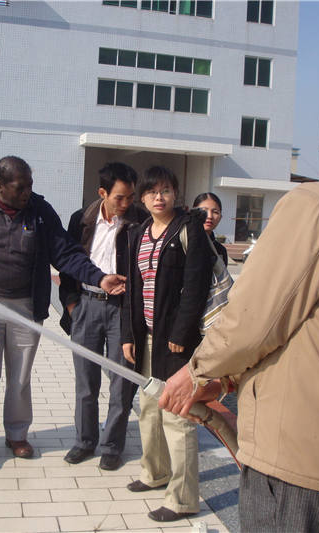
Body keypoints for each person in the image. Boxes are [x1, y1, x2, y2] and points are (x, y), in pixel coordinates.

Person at [160, 118, 319, 532]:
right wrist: (227, 380)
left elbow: (254, 318)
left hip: (298, 460)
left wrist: (197, 372)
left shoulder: (318, 205)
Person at [0, 156, 125, 471]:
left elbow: (66, 253)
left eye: (30, 185)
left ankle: (17, 435)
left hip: (25, 307)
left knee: (20, 376)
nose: (27, 192)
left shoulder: (40, 212)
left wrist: (99, 278)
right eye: (20, 187)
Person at [120, 166, 213, 522]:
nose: (159, 197)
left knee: (177, 416)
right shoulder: (139, 232)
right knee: (148, 408)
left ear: (175, 193)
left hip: (175, 342)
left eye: (166, 190)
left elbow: (196, 285)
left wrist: (181, 333)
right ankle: (154, 472)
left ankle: (183, 498)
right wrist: (128, 335)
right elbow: (133, 289)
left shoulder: (188, 228)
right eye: (152, 192)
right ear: (142, 198)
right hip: (145, 338)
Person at [58, 162, 147, 471]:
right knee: (86, 382)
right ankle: (84, 441)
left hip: (123, 311)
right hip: (87, 305)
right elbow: (68, 262)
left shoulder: (140, 222)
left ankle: (112, 446)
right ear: (102, 193)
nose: (126, 203)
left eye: (131, 197)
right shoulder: (81, 220)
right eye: (119, 197)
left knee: (121, 383)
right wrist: (71, 304)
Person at [192, 192, 229, 265]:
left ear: (220, 217)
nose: (209, 216)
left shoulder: (220, 251)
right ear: (193, 213)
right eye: (204, 211)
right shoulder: (182, 242)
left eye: (215, 212)